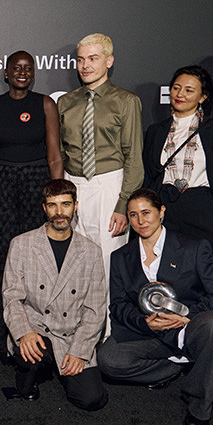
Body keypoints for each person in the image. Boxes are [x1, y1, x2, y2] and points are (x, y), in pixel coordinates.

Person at [98, 188, 213, 425]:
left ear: (161, 212)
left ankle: (199, 406)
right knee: (109, 360)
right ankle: (176, 366)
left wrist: (188, 316)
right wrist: (144, 322)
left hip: (188, 327)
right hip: (150, 333)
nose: (141, 221)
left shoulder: (193, 247)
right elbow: (118, 306)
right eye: (133, 215)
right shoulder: (120, 257)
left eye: (146, 213)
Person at [0, 50, 64, 356]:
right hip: (1, 187)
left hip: (36, 186)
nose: (23, 72)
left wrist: (56, 195)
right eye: (17, 67)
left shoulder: (45, 104)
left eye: (28, 68)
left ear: (34, 73)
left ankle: (39, 335)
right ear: (6, 73)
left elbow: (54, 156)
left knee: (36, 260)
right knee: (0, 261)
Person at [2, 179, 108, 410]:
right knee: (32, 362)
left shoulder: (91, 251)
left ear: (75, 206)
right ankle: (30, 370)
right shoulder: (22, 244)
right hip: (36, 328)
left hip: (71, 334)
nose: (59, 212)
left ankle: (54, 362)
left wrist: (80, 351)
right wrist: (24, 333)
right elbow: (11, 298)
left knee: (92, 399)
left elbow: (95, 310)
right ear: (44, 208)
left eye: (66, 204)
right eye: (52, 205)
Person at [57, 33, 143, 282]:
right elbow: (60, 152)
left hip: (109, 186)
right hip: (73, 186)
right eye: (80, 59)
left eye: (93, 58)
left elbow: (133, 156)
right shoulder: (65, 102)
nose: (85, 66)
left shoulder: (126, 101)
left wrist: (123, 204)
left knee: (107, 265)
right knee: (73, 263)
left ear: (109, 61)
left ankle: (106, 311)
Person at [143, 65, 213, 269]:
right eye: (176, 88)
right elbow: (149, 175)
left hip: (204, 211)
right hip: (167, 210)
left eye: (189, 90)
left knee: (208, 273)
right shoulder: (156, 131)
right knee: (168, 272)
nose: (180, 94)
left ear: (203, 97)